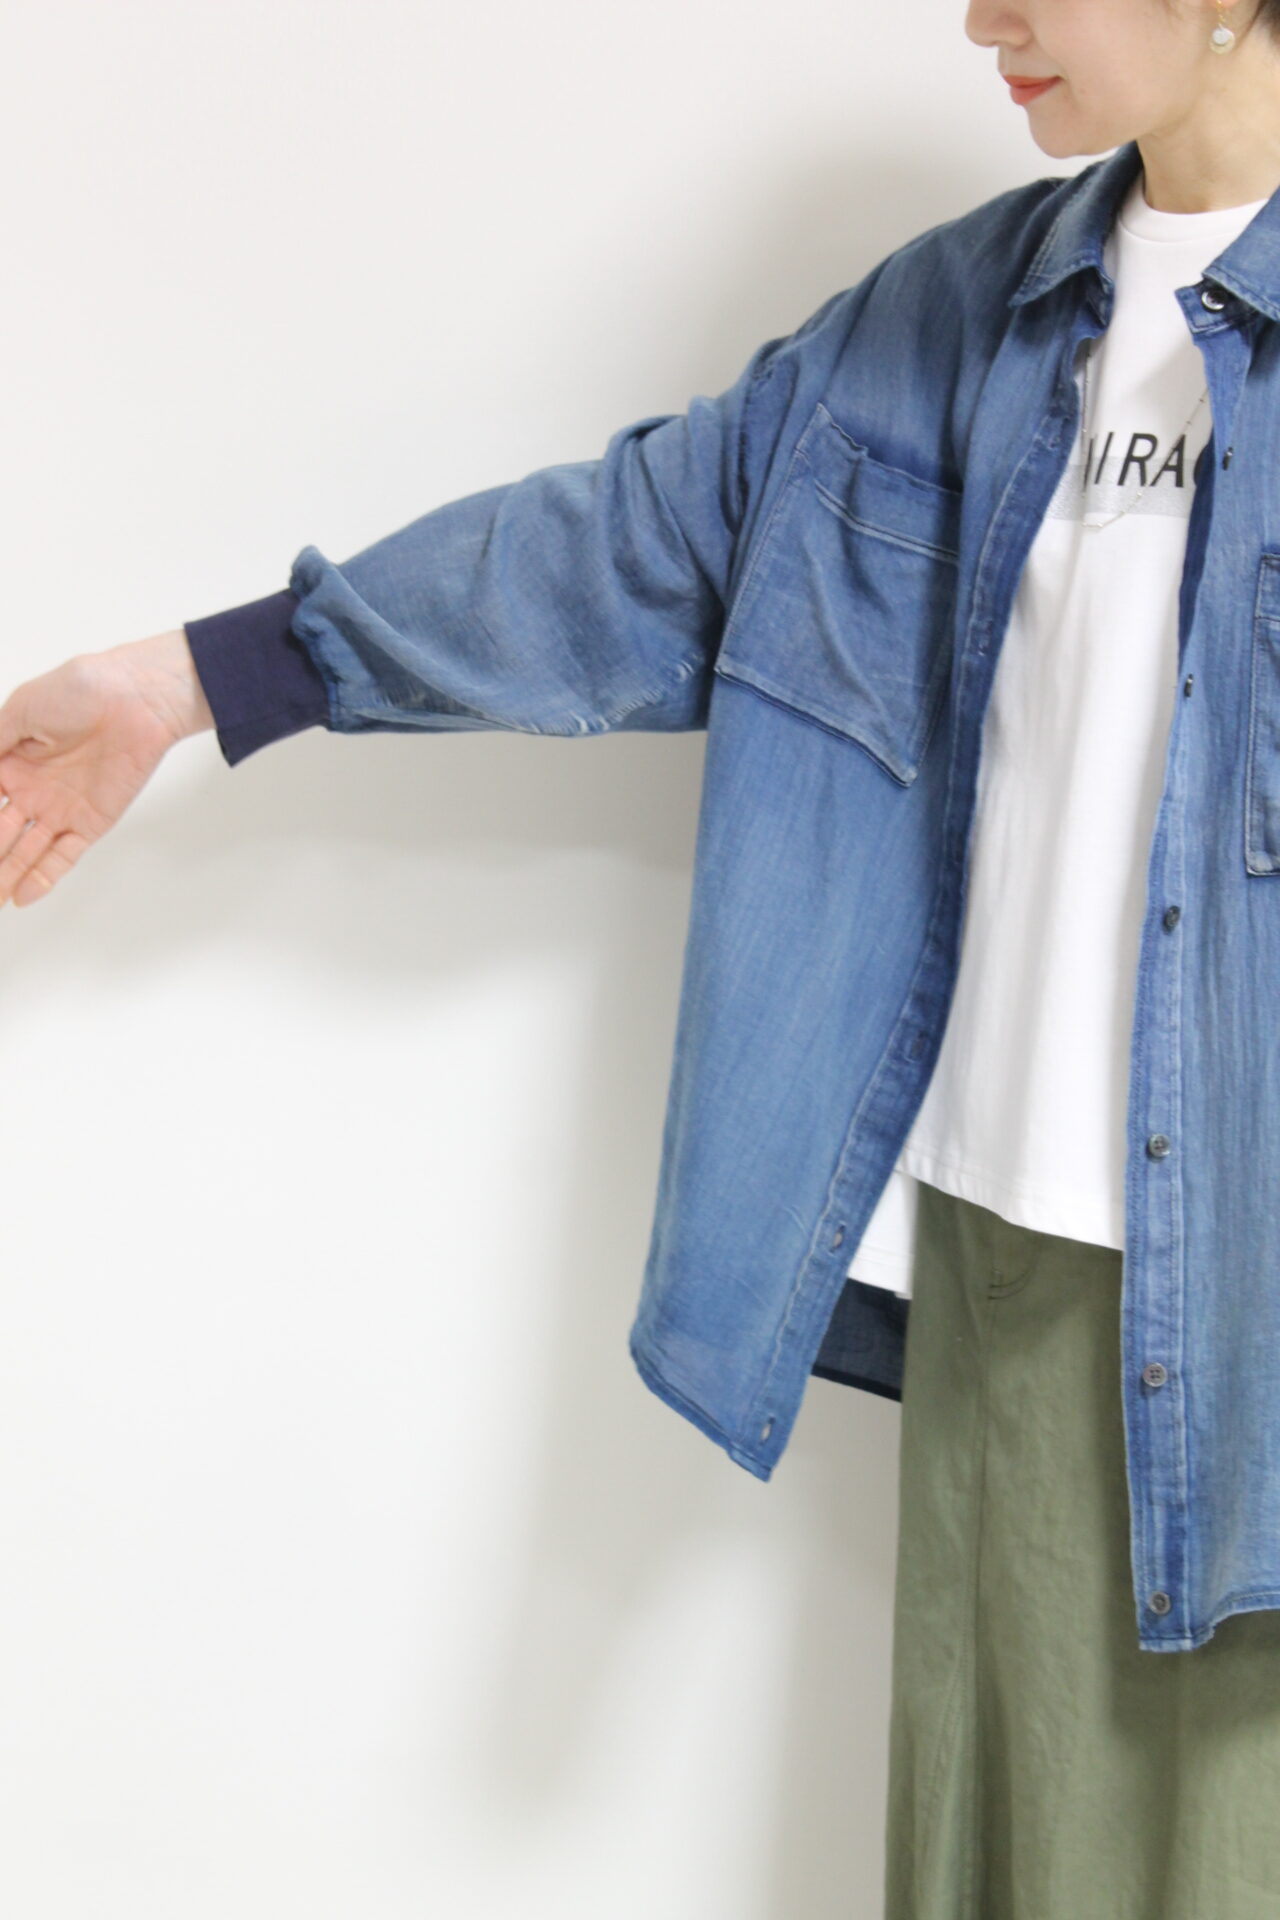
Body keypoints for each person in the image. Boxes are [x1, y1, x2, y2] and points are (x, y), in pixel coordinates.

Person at [4, 0, 1280, 1911]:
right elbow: (628, 551)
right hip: (1005, 1263)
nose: (980, 18)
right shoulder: (957, 325)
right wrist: (196, 680)